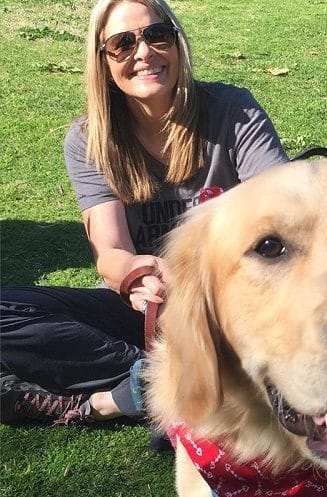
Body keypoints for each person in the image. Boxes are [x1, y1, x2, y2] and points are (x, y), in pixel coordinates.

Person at [0, 0, 288, 440]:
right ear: (103, 61)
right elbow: (111, 252)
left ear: (176, 41)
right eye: (122, 43)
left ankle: (149, 387)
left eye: (157, 34)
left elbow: (283, 219)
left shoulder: (234, 111)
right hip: (147, 313)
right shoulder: (89, 140)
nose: (144, 52)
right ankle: (153, 378)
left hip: (234, 306)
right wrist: (136, 275)